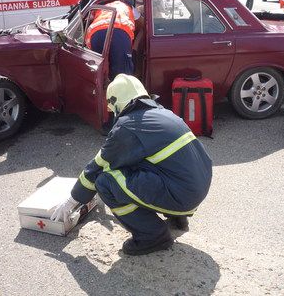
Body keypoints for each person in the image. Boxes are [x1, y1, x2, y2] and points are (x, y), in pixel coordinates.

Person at [51, 74, 213, 255]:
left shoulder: (129, 126)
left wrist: (73, 200)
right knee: (147, 165)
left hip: (182, 195)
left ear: (117, 103)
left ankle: (152, 236)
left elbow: (99, 165)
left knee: (106, 181)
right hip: (196, 187)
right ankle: (177, 218)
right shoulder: (164, 114)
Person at [85, 0, 136, 79]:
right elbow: (142, 22)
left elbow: (88, 19)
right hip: (119, 33)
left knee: (99, 70)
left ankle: (102, 89)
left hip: (96, 33)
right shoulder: (128, 6)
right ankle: (120, 88)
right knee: (122, 73)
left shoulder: (102, 5)